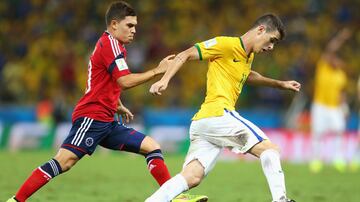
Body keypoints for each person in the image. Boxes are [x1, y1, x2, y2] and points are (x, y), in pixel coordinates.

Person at [7, 1, 206, 202]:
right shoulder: (109, 44)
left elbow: (103, 79)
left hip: (107, 120)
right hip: (91, 117)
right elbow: (125, 81)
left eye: (135, 26)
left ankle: (174, 197)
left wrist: (117, 103)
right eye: (130, 25)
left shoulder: (115, 46)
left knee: (151, 146)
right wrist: (157, 70)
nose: (134, 30)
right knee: (63, 162)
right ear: (113, 24)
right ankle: (16, 200)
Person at [146, 14, 300, 202]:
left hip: (204, 122)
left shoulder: (247, 56)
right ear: (260, 30)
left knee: (192, 177)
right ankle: (280, 200)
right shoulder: (225, 44)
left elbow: (247, 75)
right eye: (272, 40)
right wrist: (164, 80)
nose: (271, 47)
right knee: (270, 150)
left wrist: (279, 84)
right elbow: (185, 54)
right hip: (219, 114)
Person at [309, 28, 351, 173]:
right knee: (318, 133)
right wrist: (341, 37)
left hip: (335, 108)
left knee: (339, 131)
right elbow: (330, 49)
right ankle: (316, 160)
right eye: (333, 58)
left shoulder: (341, 75)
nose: (335, 61)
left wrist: (344, 107)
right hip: (320, 105)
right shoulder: (323, 66)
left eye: (337, 59)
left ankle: (338, 158)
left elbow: (342, 93)